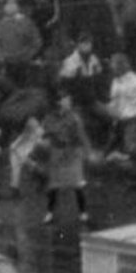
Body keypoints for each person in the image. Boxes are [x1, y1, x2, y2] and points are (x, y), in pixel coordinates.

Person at [40, 90, 91, 225]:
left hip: (73, 152)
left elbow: (81, 135)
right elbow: (44, 133)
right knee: (54, 185)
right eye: (66, 100)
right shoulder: (49, 117)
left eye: (69, 100)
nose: (69, 102)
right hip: (57, 152)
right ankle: (50, 213)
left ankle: (83, 212)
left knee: (77, 183)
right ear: (59, 102)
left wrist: (87, 151)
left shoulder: (74, 117)